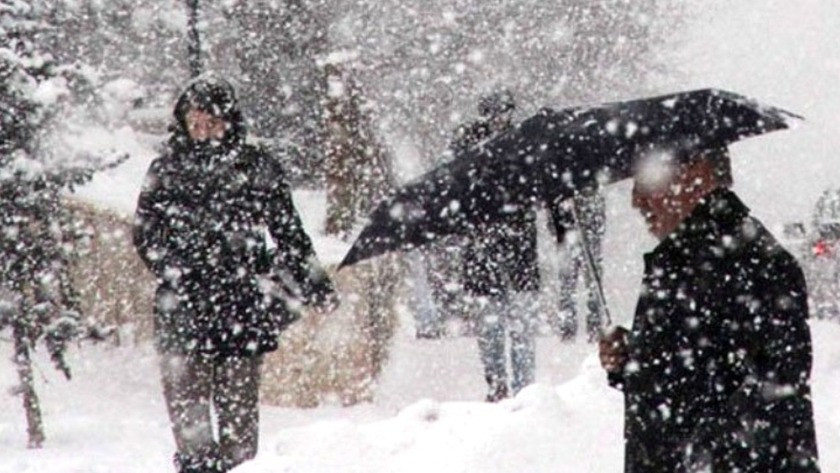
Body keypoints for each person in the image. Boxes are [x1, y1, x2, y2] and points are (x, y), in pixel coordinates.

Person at [133, 76, 336, 473]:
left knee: (239, 420)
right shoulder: (167, 169)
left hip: (240, 305)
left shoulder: (256, 167)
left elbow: (289, 235)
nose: (203, 132)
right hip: (184, 306)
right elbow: (145, 233)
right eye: (195, 123)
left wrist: (315, 284)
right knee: (188, 414)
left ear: (229, 121)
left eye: (212, 123)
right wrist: (178, 270)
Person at [599, 145, 820, 472]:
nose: (636, 201)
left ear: (696, 173)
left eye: (645, 181)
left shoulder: (748, 261)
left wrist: (698, 451)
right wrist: (632, 359)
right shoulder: (682, 259)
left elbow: (773, 388)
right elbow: (693, 369)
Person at [453, 90, 542, 402]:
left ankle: (523, 390)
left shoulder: (524, 143)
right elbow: (460, 190)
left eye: (504, 112)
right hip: (483, 249)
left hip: (517, 249)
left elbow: (536, 186)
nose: (499, 119)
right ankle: (498, 384)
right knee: (492, 326)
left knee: (520, 326)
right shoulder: (468, 146)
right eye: (494, 113)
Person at [548, 189, 606, 341]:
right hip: (566, 234)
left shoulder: (588, 186)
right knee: (568, 283)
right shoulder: (557, 186)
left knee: (592, 281)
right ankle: (568, 328)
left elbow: (598, 207)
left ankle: (594, 326)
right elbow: (552, 211)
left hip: (588, 230)